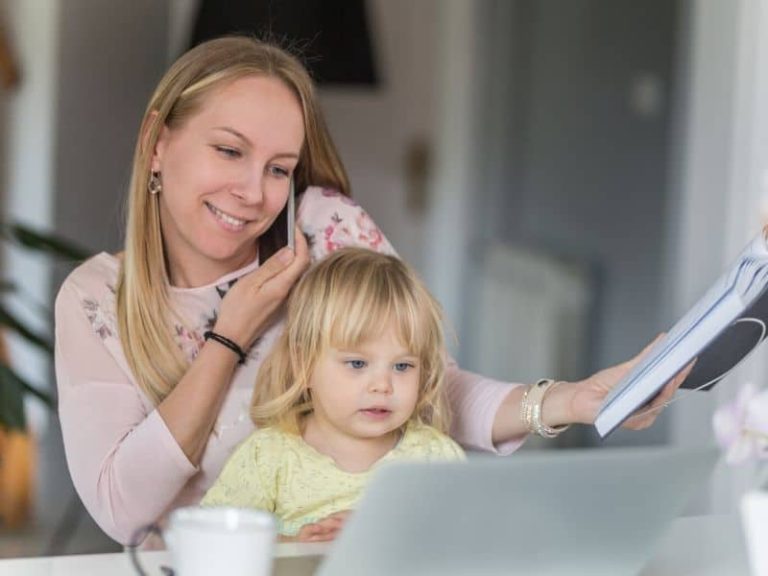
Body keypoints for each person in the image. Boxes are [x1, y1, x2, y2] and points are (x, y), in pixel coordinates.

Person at [54, 36, 686, 546]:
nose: (253, 192)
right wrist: (230, 336)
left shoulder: (322, 227)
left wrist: (571, 401)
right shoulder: (96, 299)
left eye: (279, 168)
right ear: (157, 142)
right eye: (228, 151)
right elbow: (122, 508)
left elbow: (430, 385)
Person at [201, 247, 464, 541]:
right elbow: (212, 538)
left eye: (402, 366)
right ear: (305, 363)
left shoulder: (435, 457)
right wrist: (297, 545)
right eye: (357, 363)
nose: (383, 385)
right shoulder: (270, 456)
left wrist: (387, 535)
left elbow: (467, 546)